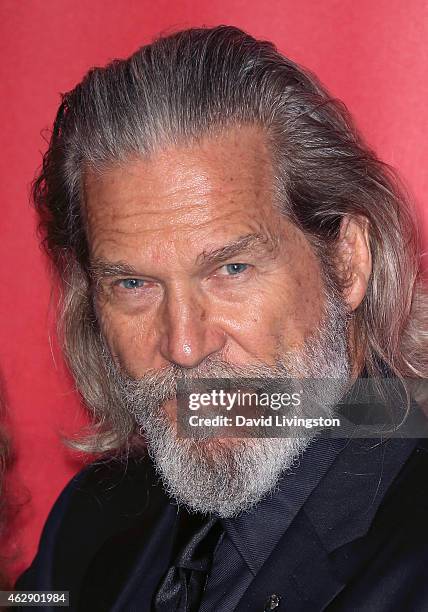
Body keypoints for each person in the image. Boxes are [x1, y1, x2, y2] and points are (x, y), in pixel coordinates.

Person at [16, 25, 428, 611]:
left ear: (346, 262)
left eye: (231, 269)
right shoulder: (88, 526)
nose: (184, 345)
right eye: (133, 284)